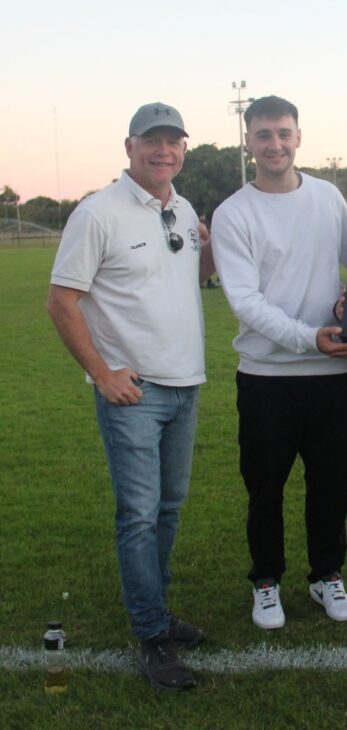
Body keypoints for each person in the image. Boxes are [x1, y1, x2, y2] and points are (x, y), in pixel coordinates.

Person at [47, 102, 215, 691]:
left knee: (168, 509)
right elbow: (61, 301)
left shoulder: (183, 208)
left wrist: (208, 244)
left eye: (173, 142)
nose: (163, 151)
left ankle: (157, 611)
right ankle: (150, 634)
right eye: (152, 141)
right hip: (134, 393)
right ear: (130, 147)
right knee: (140, 514)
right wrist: (101, 373)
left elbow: (188, 277)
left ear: (183, 149)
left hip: (186, 382)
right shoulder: (98, 212)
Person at [211, 96, 347, 631]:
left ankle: (326, 575)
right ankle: (266, 581)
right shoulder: (233, 212)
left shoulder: (327, 196)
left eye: (283, 133)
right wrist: (310, 339)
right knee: (265, 489)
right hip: (266, 379)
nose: (274, 144)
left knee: (331, 484)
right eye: (263, 134)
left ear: (298, 136)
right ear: (248, 142)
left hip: (333, 378)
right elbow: (246, 302)